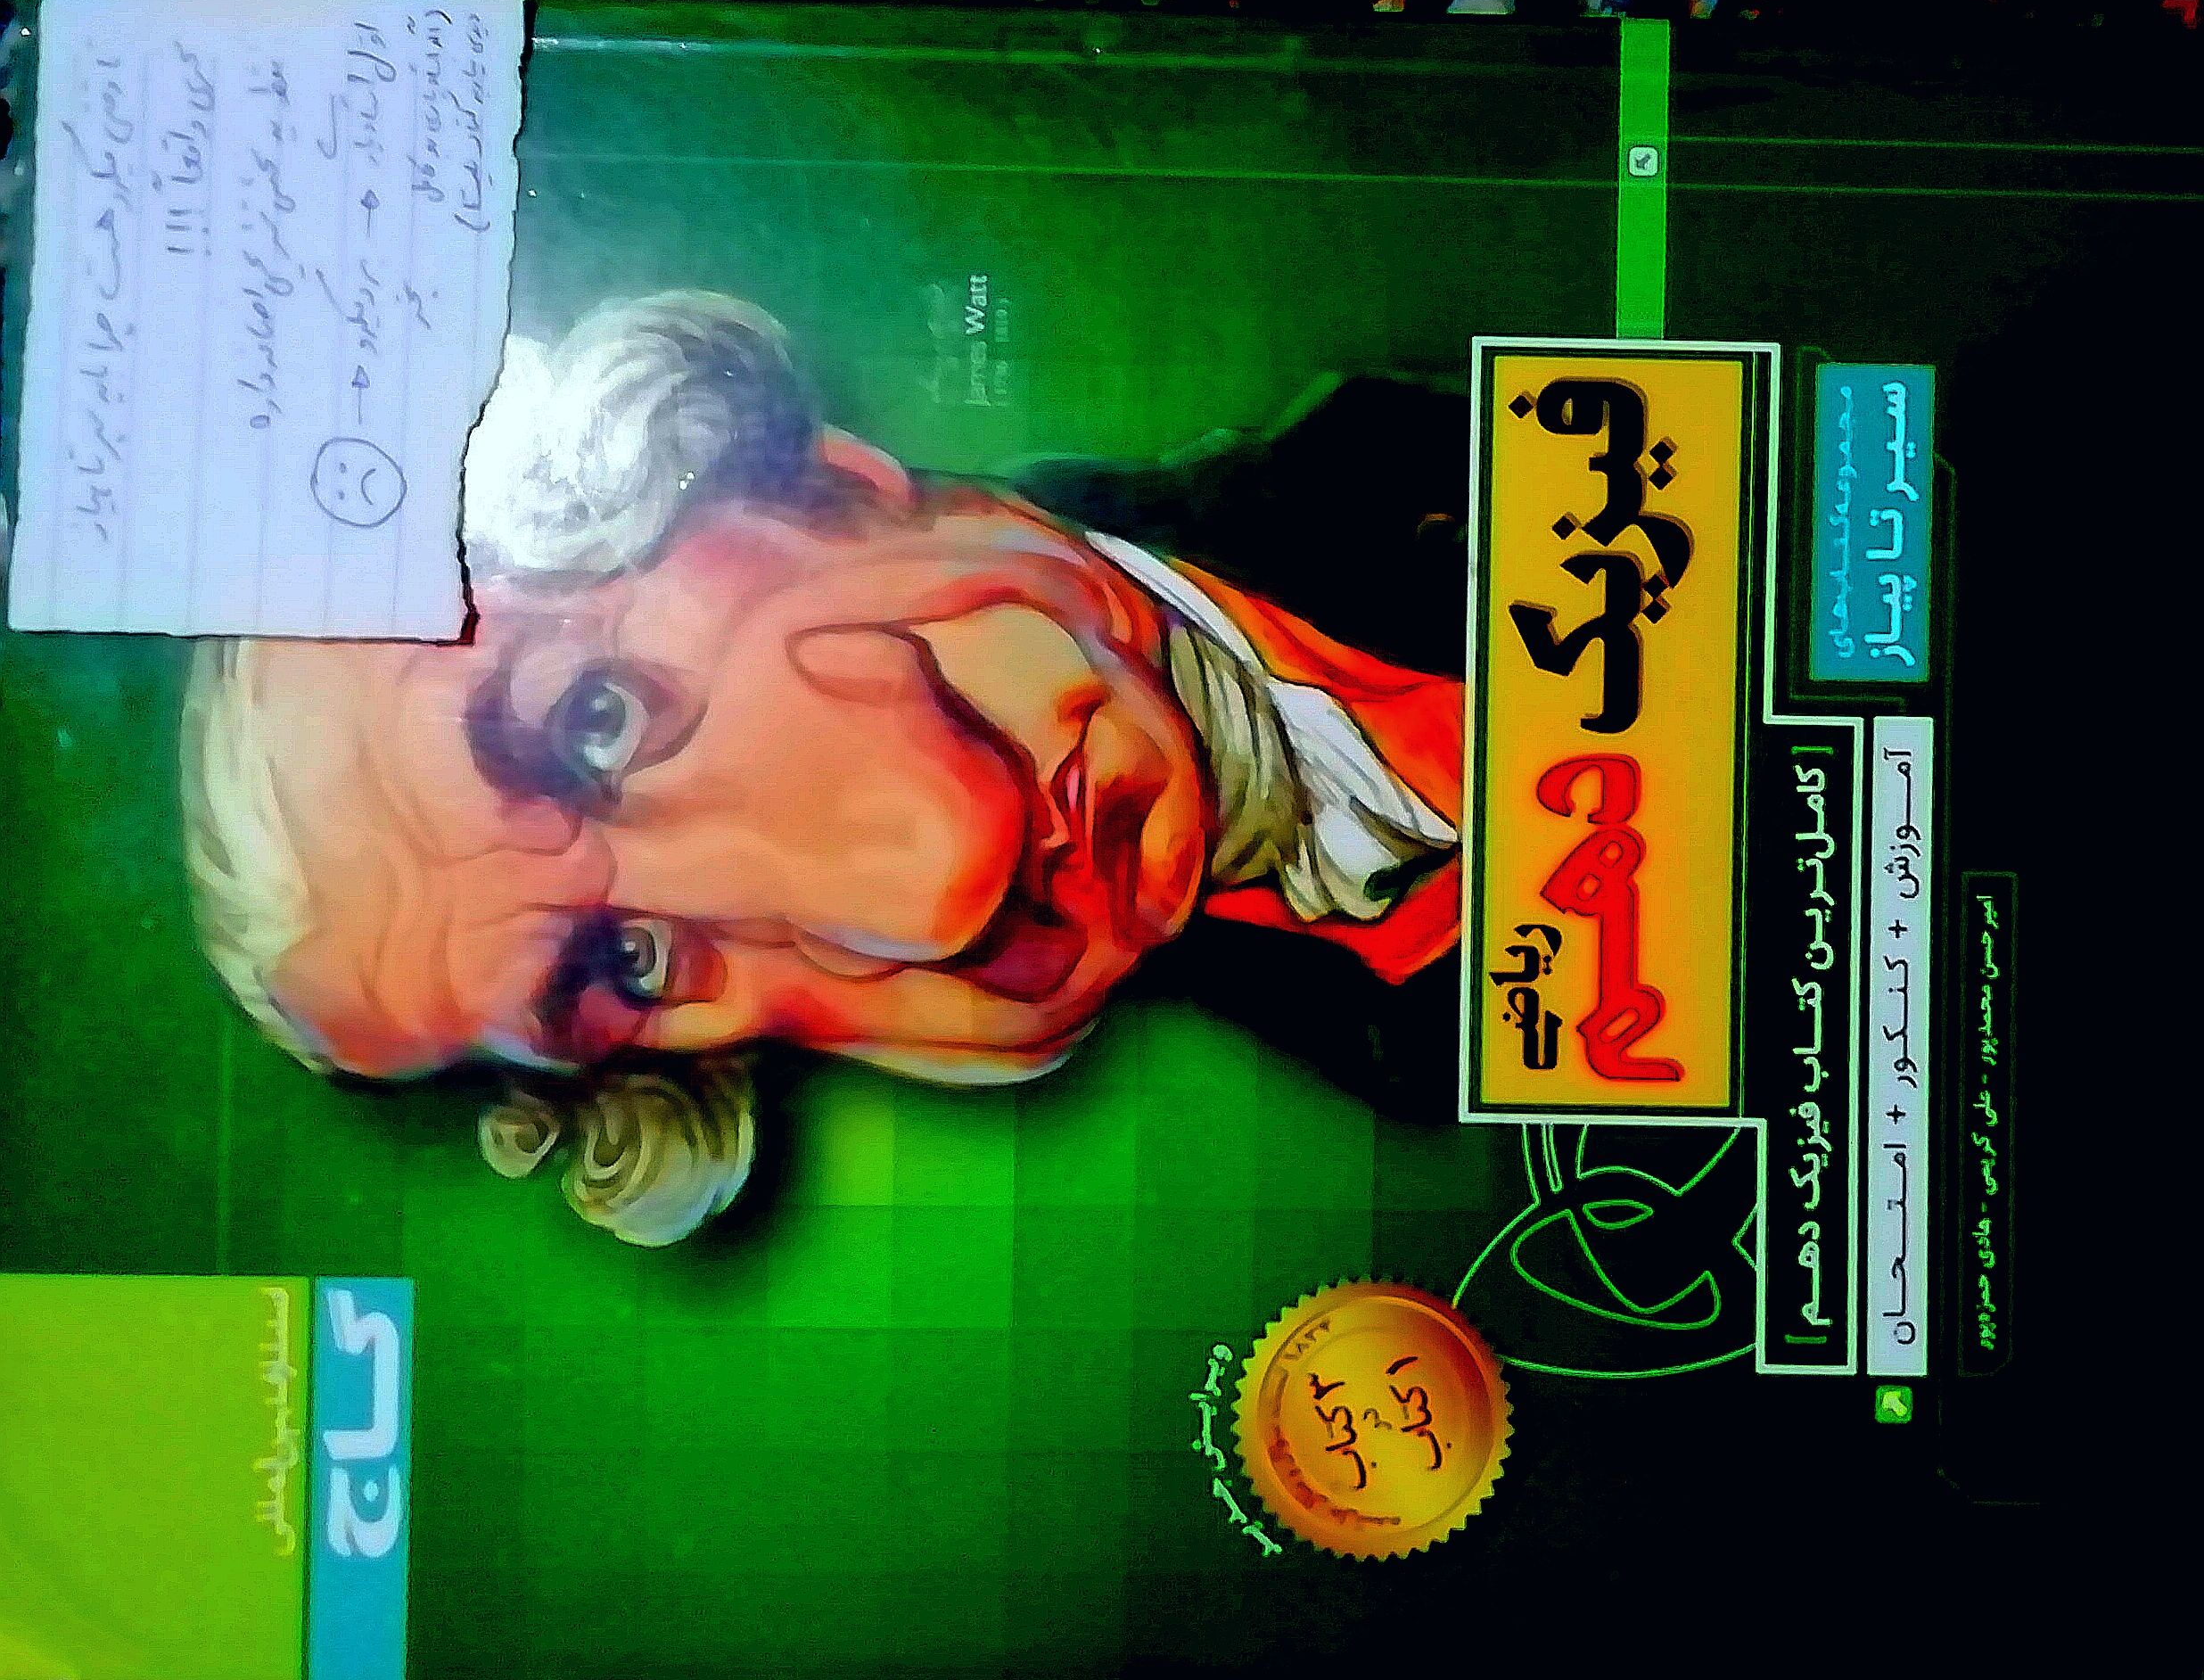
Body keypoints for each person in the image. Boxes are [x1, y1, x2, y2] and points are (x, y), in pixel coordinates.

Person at [182, 290, 1468, 1245]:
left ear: (816, 479)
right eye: (627, 966)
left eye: (599, 721)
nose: (934, 901)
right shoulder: (1422, 1077)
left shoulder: (1448, 441)